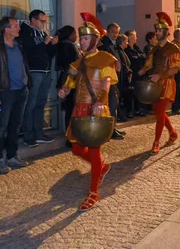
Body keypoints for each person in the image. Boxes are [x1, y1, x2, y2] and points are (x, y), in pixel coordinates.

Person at [58, 12, 115, 211]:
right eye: (81, 38)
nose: (81, 41)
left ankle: (93, 192)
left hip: (96, 108)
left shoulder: (105, 58)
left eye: (85, 38)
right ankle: (102, 166)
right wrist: (65, 89)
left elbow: (106, 83)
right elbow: (71, 81)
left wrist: (100, 101)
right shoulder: (77, 62)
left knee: (94, 150)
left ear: (95, 40)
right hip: (79, 108)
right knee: (76, 148)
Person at [0, 16, 30, 174]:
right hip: (3, 93)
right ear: (7, 29)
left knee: (15, 125)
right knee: (1, 126)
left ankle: (12, 155)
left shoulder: (19, 45)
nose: (19, 28)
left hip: (21, 91)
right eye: (15, 26)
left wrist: (27, 83)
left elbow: (24, 65)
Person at [139, 12, 180, 154]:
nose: (156, 33)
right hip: (154, 85)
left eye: (159, 30)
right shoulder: (155, 48)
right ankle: (173, 133)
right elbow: (149, 63)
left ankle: (156, 142)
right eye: (156, 30)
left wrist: (160, 75)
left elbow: (175, 68)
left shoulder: (173, 48)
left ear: (166, 32)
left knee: (159, 113)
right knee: (159, 112)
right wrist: (141, 71)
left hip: (167, 84)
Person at [19, 10, 58, 148]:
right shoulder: (26, 32)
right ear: (33, 20)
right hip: (34, 71)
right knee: (31, 104)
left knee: (41, 103)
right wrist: (44, 43)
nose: (44, 24)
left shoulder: (43, 34)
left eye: (45, 21)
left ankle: (39, 134)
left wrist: (52, 45)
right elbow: (29, 52)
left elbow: (48, 54)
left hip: (46, 71)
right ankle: (28, 135)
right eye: (42, 21)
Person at [99, 23, 125, 139]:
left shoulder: (113, 44)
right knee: (112, 104)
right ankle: (111, 130)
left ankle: (112, 128)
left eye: (117, 32)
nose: (115, 34)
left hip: (114, 77)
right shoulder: (104, 43)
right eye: (113, 32)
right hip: (108, 78)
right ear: (108, 31)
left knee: (113, 104)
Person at [56, 25, 80, 136]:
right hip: (70, 80)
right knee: (72, 110)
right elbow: (74, 64)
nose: (76, 36)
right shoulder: (69, 47)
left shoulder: (62, 46)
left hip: (65, 78)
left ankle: (70, 135)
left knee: (70, 110)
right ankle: (71, 136)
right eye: (74, 34)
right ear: (69, 35)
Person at [124, 30, 146, 117]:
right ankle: (129, 111)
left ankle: (138, 109)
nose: (135, 39)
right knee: (130, 92)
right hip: (132, 73)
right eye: (133, 37)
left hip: (140, 73)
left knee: (138, 92)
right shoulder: (126, 49)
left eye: (135, 37)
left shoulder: (136, 48)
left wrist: (138, 56)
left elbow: (144, 56)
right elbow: (130, 59)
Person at [115, 34, 132, 119]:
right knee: (121, 96)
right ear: (122, 42)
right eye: (126, 41)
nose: (127, 43)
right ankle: (120, 114)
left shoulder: (122, 51)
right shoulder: (119, 51)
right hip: (122, 78)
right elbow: (123, 65)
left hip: (124, 77)